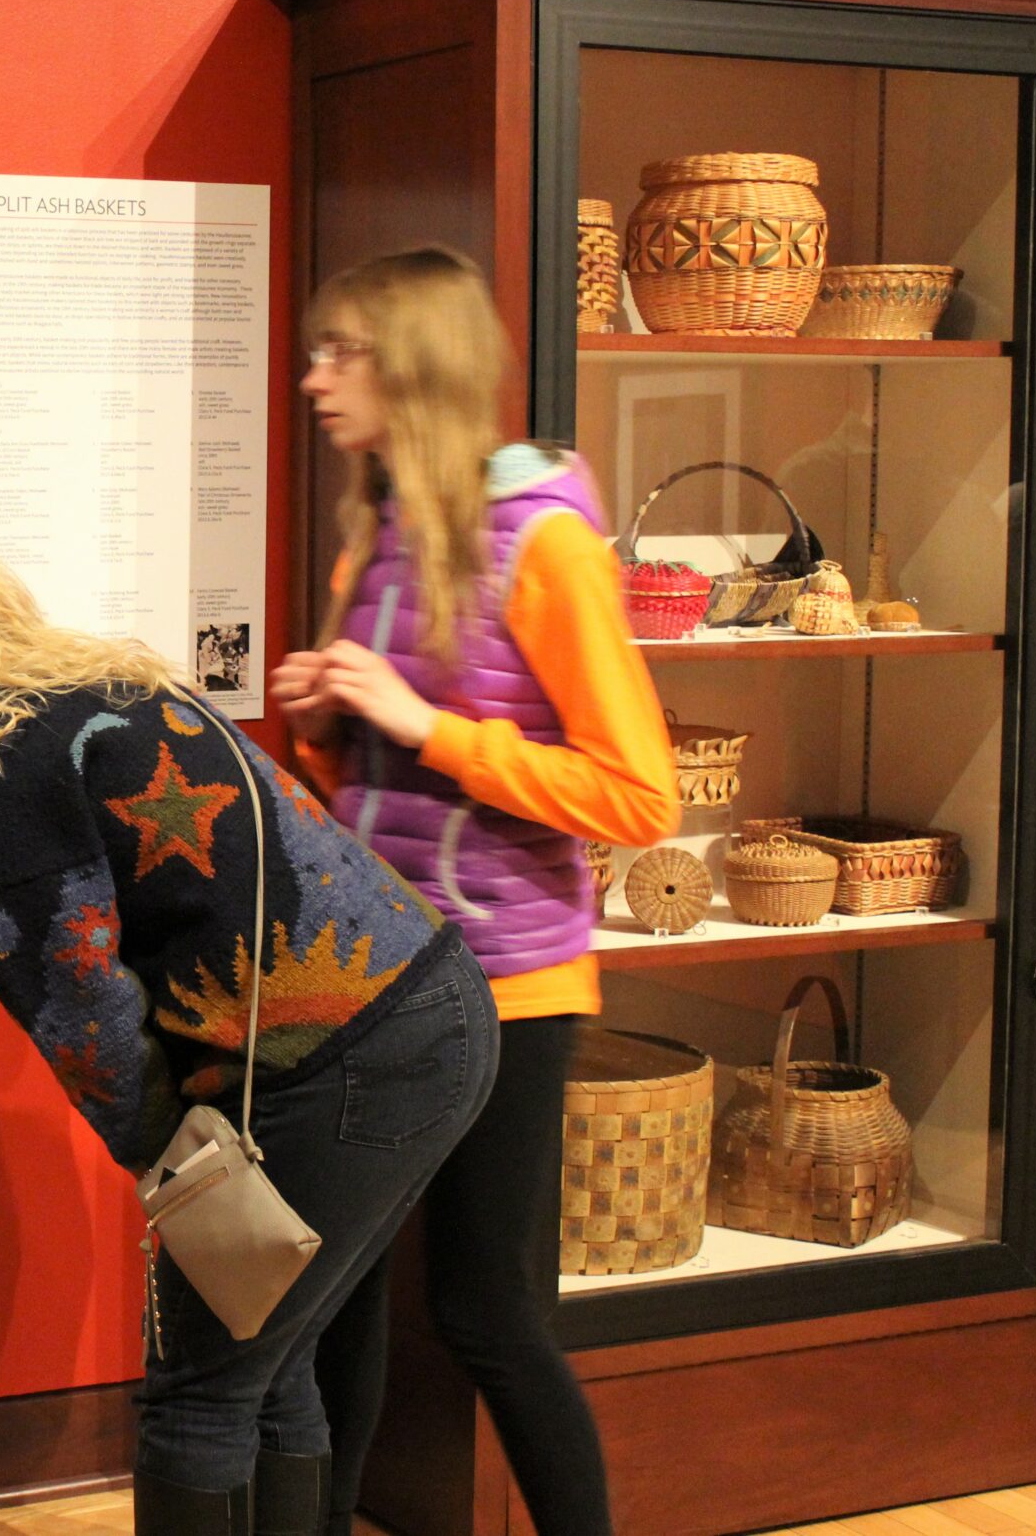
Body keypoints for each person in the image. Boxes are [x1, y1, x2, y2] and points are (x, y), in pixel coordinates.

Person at [0, 509, 497, 1536]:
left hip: (337, 1060)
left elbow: (72, 993)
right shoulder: (106, 687)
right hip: (437, 1008)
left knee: (198, 1398)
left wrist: (169, 1159)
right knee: (273, 1358)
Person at [275, 247, 679, 1536]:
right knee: (329, 1297)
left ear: (417, 365)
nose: (311, 379)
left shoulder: (545, 545)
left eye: (340, 352)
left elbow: (637, 797)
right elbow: (374, 786)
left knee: (488, 1314)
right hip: (376, 977)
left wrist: (422, 723)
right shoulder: (377, 530)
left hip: (512, 987)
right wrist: (327, 724)